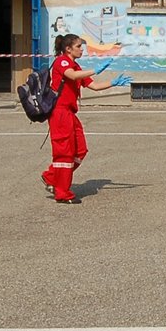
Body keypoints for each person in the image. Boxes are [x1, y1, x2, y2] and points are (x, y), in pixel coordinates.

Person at [42, 33, 121, 204]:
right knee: (64, 153)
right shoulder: (62, 61)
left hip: (70, 114)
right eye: (78, 46)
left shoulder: (76, 66)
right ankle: (62, 193)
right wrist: (95, 69)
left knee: (80, 150)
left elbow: (94, 85)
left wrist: (113, 83)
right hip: (60, 113)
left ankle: (50, 176)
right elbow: (71, 76)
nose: (82, 49)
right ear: (68, 48)